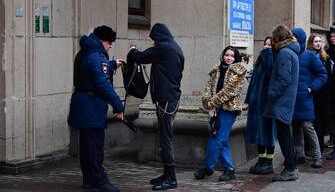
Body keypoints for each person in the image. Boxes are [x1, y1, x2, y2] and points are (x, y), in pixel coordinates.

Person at [127, 23, 184, 191]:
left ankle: (171, 178)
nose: (153, 43)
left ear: (158, 37)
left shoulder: (164, 48)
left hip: (167, 100)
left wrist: (132, 50)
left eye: (153, 39)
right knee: (164, 137)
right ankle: (167, 174)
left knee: (166, 139)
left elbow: (140, 56)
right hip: (169, 98)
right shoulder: (174, 47)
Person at [68, 25, 124, 192]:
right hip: (91, 107)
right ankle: (100, 181)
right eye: (109, 44)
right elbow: (102, 83)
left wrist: (112, 64)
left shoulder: (85, 52)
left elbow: (92, 73)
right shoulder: (96, 56)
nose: (109, 47)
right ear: (102, 41)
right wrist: (118, 105)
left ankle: (90, 181)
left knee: (87, 148)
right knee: (94, 148)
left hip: (83, 104)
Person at [194, 46, 248, 182]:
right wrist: (207, 101)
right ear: (223, 56)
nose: (229, 58)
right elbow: (208, 87)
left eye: (232, 56)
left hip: (229, 109)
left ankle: (208, 168)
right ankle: (229, 169)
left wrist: (213, 101)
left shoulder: (238, 72)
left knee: (217, 138)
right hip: (215, 109)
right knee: (220, 140)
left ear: (236, 58)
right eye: (226, 55)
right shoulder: (216, 70)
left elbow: (230, 90)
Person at [263, 25, 300, 181]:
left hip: (281, 101)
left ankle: (290, 168)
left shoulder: (285, 53)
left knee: (284, 135)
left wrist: (271, 94)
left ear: (278, 38)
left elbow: (283, 79)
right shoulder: (290, 51)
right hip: (285, 100)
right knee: (285, 135)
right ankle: (291, 167)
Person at [290, 28, 327, 168]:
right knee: (296, 127)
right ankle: (299, 155)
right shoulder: (289, 54)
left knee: (307, 127)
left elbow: (322, 75)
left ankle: (317, 156)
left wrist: (312, 87)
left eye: (294, 37)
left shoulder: (310, 56)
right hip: (293, 98)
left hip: (305, 98)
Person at [245, 37, 276, 175]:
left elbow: (272, 72)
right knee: (258, 133)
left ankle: (269, 162)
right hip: (256, 103)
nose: (267, 46)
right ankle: (261, 159)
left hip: (267, 103)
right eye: (265, 44)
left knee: (268, 132)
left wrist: (268, 54)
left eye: (270, 44)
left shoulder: (273, 58)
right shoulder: (260, 60)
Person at [307, 33, 332, 154]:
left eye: (319, 41)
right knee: (310, 122)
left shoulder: (325, 58)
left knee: (320, 122)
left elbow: (327, 76)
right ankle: (310, 148)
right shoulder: (307, 56)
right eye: (315, 41)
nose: (318, 43)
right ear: (311, 43)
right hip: (310, 93)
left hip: (322, 95)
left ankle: (320, 147)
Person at [324, 27, 335, 160]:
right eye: (331, 36)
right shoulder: (328, 51)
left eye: (334, 36)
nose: (332, 38)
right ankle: (332, 138)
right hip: (330, 89)